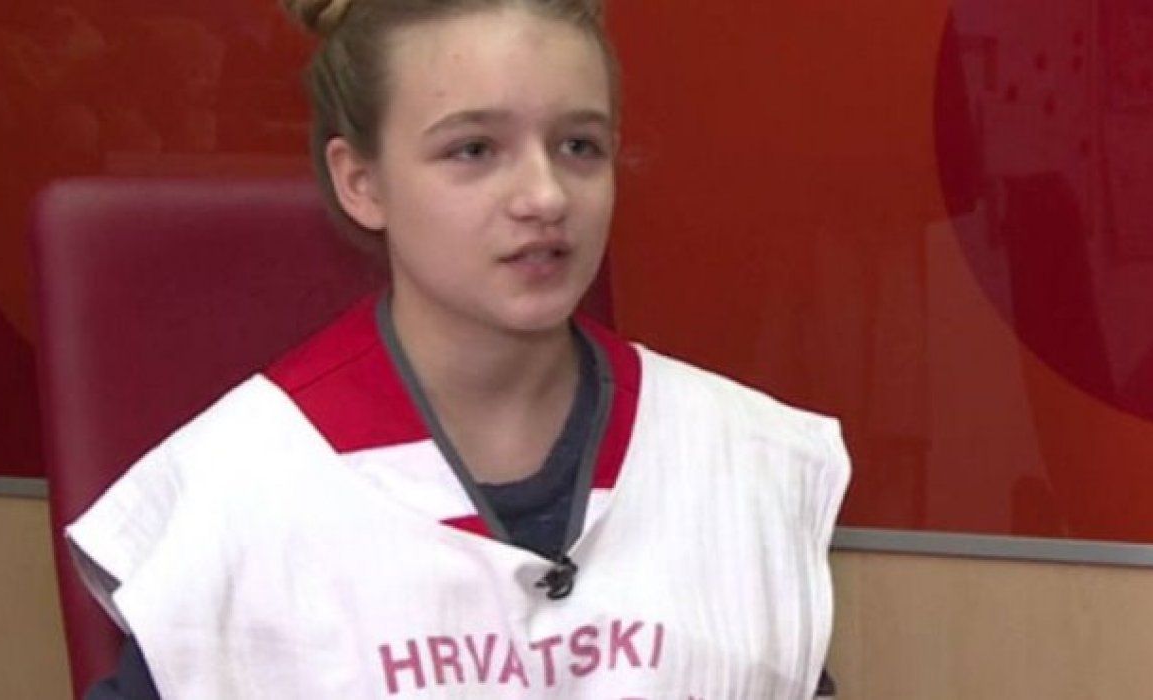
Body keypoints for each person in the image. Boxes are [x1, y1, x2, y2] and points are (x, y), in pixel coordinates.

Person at [71, 0, 850, 697]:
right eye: (474, 150)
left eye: (579, 146)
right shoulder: (233, 499)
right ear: (361, 181)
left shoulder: (741, 463)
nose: (545, 196)